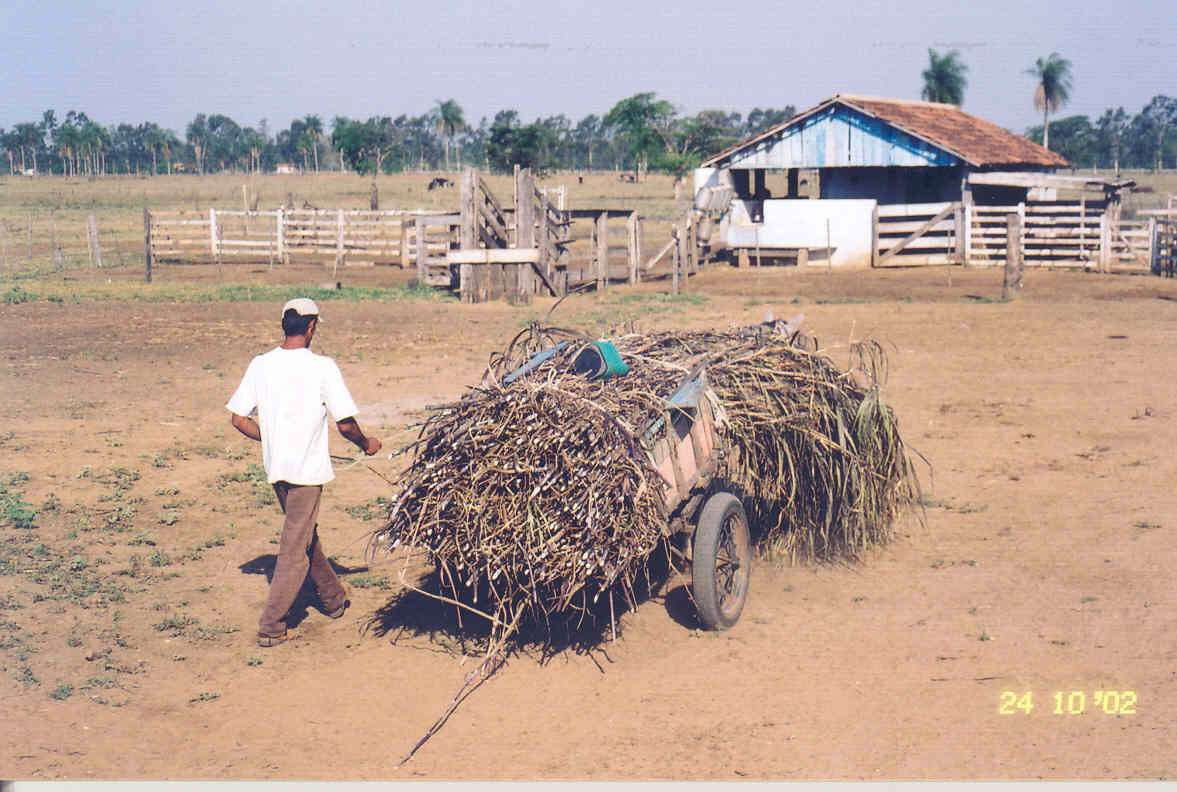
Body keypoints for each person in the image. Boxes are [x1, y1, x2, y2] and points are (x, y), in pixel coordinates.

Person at [226, 297, 381, 647]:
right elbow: (345, 425)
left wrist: (272, 438)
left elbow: (238, 419)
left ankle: (333, 599)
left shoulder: (260, 364)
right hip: (306, 474)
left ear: (285, 325)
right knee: (294, 548)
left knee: (304, 535)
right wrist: (367, 443)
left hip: (277, 470)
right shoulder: (322, 367)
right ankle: (272, 626)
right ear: (312, 327)